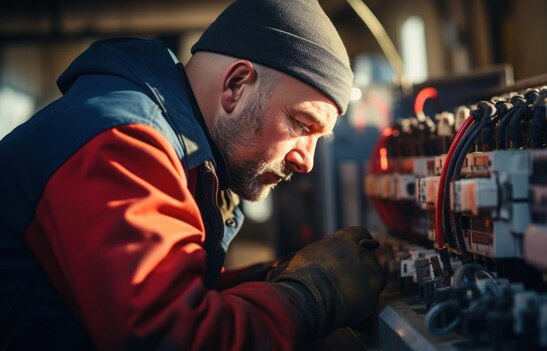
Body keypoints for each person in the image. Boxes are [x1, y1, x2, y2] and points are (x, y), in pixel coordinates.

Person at [0, 0, 385, 349]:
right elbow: (171, 336)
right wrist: (311, 296)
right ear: (236, 86)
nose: (307, 162)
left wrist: (275, 277)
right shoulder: (124, 143)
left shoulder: (171, 145)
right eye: (302, 126)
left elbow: (176, 292)